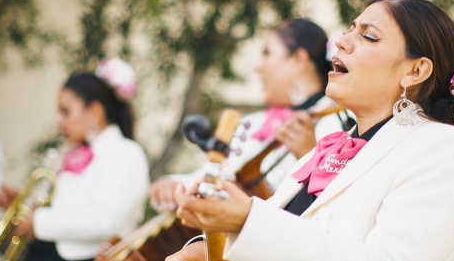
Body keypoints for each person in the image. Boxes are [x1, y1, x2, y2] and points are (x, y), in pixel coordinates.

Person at [162, 0, 454, 261]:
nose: (340, 41)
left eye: (368, 36)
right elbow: (287, 242)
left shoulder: (447, 149)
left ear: (415, 70)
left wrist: (244, 218)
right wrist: (207, 251)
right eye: (349, 29)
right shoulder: (331, 146)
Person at [150, 18, 353, 209]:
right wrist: (175, 184)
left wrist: (308, 155)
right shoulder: (256, 122)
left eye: (267, 53)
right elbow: (224, 173)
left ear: (299, 60)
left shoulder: (338, 124)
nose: (258, 66)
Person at [0, 58, 150, 261]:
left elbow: (105, 220)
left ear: (95, 111)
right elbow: (66, 209)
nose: (58, 121)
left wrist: (39, 221)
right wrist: (20, 208)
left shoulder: (127, 153)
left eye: (65, 111)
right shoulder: (79, 152)